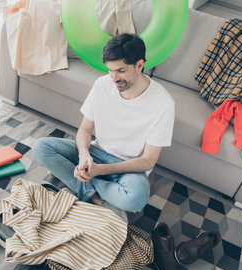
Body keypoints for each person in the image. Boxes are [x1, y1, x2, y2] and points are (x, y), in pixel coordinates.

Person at [33, 33, 174, 215]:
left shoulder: (163, 104)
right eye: (110, 70)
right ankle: (95, 198)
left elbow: (148, 161)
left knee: (136, 199)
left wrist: (99, 171)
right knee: (42, 147)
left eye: (121, 71)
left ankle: (84, 185)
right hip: (96, 154)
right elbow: (85, 129)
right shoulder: (102, 84)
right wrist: (84, 155)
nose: (114, 78)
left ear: (139, 65)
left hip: (128, 167)